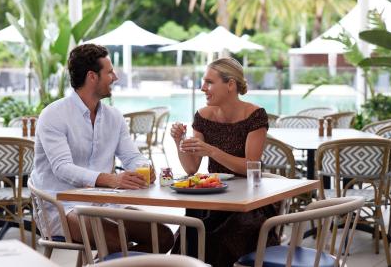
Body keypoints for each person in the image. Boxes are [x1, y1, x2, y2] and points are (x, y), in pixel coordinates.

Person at [31, 43, 173, 254]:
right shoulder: (53, 115)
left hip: (106, 203)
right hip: (61, 205)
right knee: (115, 242)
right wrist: (112, 179)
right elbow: (62, 167)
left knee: (162, 237)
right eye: (110, 72)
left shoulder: (114, 117)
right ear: (92, 77)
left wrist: (144, 167)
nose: (115, 77)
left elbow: (132, 156)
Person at [170, 57, 279, 266]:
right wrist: (179, 141)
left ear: (230, 84)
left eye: (209, 82)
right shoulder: (203, 116)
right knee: (191, 230)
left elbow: (250, 167)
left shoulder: (255, 115)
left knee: (219, 238)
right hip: (212, 200)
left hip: (249, 206)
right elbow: (192, 167)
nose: (203, 88)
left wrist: (212, 150)